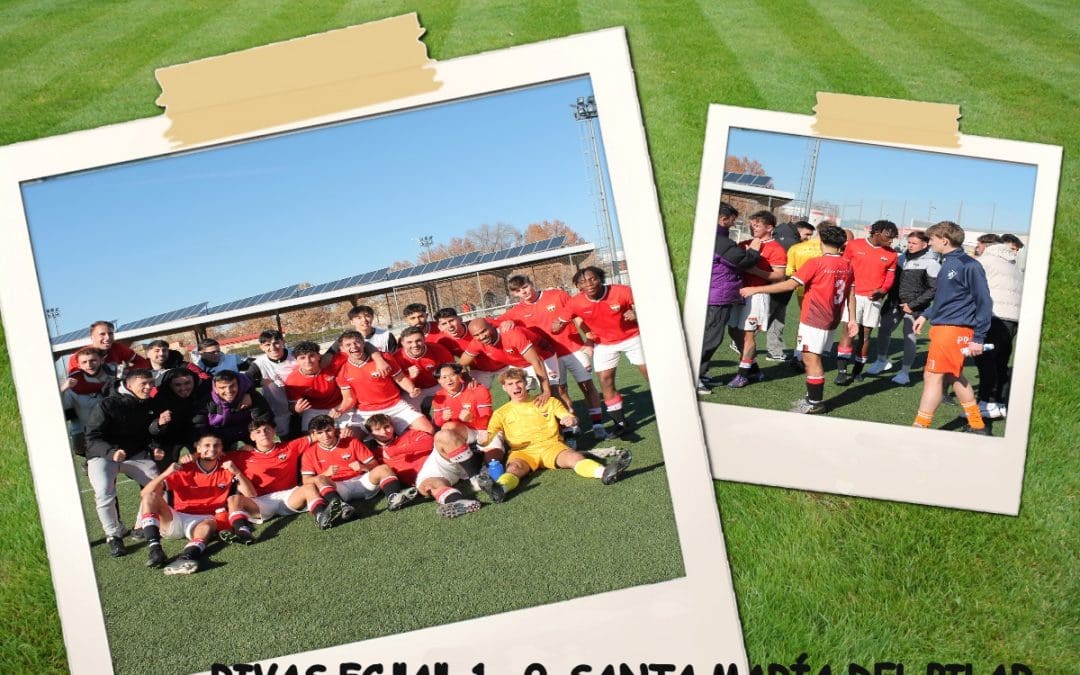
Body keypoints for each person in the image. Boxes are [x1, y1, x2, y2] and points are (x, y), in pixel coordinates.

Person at [740, 225, 855, 413]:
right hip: (831, 318)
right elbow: (851, 292)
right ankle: (812, 399)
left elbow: (789, 285)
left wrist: (756, 289)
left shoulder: (816, 263)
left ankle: (815, 403)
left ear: (820, 241)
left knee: (811, 359)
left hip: (814, 317)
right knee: (813, 357)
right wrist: (852, 319)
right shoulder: (847, 264)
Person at [474, 368, 632, 503]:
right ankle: (499, 490)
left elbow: (570, 417)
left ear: (526, 383)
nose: (516, 387)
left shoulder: (547, 402)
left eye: (519, 382)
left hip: (552, 446)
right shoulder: (501, 412)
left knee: (574, 458)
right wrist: (483, 439)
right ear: (504, 388)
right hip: (523, 452)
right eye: (510, 384)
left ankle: (604, 473)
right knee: (514, 468)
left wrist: (570, 419)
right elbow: (489, 435)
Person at [499, 274, 608, 438]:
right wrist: (504, 323)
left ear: (531, 283)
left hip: (573, 349)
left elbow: (576, 316)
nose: (524, 292)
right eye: (519, 291)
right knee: (560, 391)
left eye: (526, 287)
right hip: (550, 357)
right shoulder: (514, 312)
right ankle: (570, 424)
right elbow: (492, 324)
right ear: (515, 294)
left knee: (586, 386)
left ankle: (598, 424)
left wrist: (589, 338)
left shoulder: (557, 295)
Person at [912, 221, 992, 434]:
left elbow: (984, 301)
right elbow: (945, 298)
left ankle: (919, 427)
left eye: (932, 240)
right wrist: (927, 315)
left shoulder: (969, 265)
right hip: (945, 328)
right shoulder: (948, 262)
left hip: (953, 329)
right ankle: (977, 425)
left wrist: (979, 336)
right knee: (952, 376)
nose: (930, 244)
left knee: (933, 376)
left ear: (944, 240)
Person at [137, 433, 257, 574]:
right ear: (198, 449)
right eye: (207, 445)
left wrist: (236, 472)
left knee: (207, 526)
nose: (212, 449)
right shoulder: (184, 469)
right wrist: (166, 473)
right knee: (150, 497)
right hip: (176, 517)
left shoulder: (227, 470)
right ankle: (155, 550)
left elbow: (251, 494)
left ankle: (187, 556)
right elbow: (144, 494)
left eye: (216, 445)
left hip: (205, 519)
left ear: (221, 449)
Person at [222, 419, 352, 538]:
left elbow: (317, 435)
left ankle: (322, 517)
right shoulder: (241, 456)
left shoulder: (290, 446)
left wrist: (340, 431)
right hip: (259, 501)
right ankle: (243, 532)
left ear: (274, 432)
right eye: (258, 432)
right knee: (233, 499)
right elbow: (212, 457)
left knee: (309, 487)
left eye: (267, 429)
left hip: (290, 495)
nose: (263, 433)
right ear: (252, 437)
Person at [83, 368, 164, 557]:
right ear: (129, 385)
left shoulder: (149, 403)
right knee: (104, 492)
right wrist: (111, 452)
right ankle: (113, 535)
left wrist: (155, 448)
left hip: (134, 454)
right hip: (103, 455)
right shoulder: (107, 404)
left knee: (157, 483)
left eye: (151, 383)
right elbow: (91, 437)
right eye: (143, 384)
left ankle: (141, 524)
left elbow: (149, 434)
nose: (148, 387)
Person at [698, 202, 763, 391]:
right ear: (722, 219)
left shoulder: (715, 237)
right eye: (731, 221)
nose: (733, 224)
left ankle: (701, 373)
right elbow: (743, 260)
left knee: (710, 337)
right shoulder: (718, 240)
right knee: (711, 338)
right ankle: (693, 377)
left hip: (717, 294)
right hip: (718, 297)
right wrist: (754, 250)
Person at [864, 231, 939, 384]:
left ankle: (904, 372)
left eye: (914, 243)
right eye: (909, 242)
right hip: (894, 303)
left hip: (914, 307)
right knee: (884, 329)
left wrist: (912, 305)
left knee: (909, 337)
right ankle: (881, 361)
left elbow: (934, 289)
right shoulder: (901, 258)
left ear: (924, 245)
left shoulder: (932, 263)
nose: (910, 246)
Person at [300, 415, 418, 513]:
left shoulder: (352, 442)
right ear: (313, 435)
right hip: (338, 487)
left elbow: (374, 464)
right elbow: (306, 481)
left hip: (361, 481)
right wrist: (326, 473)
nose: (325, 436)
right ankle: (341, 507)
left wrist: (363, 467)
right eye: (320, 433)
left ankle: (394, 497)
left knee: (383, 468)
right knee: (320, 479)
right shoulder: (309, 453)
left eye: (328, 430)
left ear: (334, 428)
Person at [724, 211, 787, 388]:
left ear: (769, 227)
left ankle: (743, 374)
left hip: (757, 295)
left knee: (748, 334)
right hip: (738, 293)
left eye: (757, 225)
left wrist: (755, 272)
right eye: (752, 224)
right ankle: (755, 369)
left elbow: (780, 276)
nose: (753, 228)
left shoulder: (776, 248)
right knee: (733, 331)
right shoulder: (745, 243)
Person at [835, 220, 899, 386]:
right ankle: (841, 372)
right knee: (849, 331)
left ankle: (857, 371)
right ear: (876, 232)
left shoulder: (892, 254)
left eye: (893, 238)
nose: (891, 240)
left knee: (866, 335)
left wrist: (883, 291)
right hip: (853, 296)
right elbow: (844, 267)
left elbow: (890, 278)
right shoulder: (854, 245)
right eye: (888, 236)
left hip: (873, 299)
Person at [335, 330, 434, 435]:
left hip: (395, 406)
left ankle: (399, 445)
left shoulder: (384, 358)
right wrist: (340, 410)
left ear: (364, 343)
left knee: (428, 429)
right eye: (348, 345)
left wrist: (411, 389)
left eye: (357, 342)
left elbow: (400, 378)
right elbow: (349, 398)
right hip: (366, 412)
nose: (354, 346)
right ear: (342, 349)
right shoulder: (342, 371)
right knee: (347, 437)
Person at [974, 236, 1023, 418]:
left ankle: (986, 403)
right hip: (1013, 319)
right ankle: (999, 403)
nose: (976, 248)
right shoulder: (1012, 265)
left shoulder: (986, 261)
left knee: (986, 361)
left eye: (978, 245)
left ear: (987, 246)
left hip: (994, 316)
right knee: (1001, 362)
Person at [460, 318, 559, 402]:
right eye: (476, 335)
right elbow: (461, 365)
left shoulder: (512, 334)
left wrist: (546, 391)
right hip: (518, 364)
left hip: (543, 357)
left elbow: (536, 361)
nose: (482, 337)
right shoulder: (477, 343)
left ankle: (568, 422)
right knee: (515, 397)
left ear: (492, 326)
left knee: (554, 393)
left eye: (484, 331)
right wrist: (468, 378)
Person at [765, 220, 813, 361]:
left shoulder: (786, 236)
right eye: (807, 234)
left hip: (781, 285)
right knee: (767, 316)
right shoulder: (791, 243)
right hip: (777, 285)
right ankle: (741, 341)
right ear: (798, 230)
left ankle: (774, 350)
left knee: (777, 317)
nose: (808, 238)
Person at [192, 370, 273, 447]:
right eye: (222, 387)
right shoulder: (207, 402)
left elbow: (263, 418)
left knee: (263, 442)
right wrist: (208, 441)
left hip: (248, 431)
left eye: (232, 386)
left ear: (238, 385)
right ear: (215, 389)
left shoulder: (252, 397)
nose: (228, 391)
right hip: (219, 435)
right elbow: (199, 425)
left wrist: (258, 436)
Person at [60, 347, 115, 458]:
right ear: (79, 366)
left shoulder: (114, 381)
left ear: (101, 360)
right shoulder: (73, 387)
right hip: (87, 437)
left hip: (113, 432)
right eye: (84, 362)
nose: (89, 365)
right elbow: (55, 408)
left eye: (93, 360)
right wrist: (62, 389)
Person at [284, 340, 346, 433]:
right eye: (302, 358)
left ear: (318, 356)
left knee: (346, 434)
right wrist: (296, 409)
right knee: (309, 436)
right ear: (297, 360)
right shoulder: (293, 380)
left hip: (339, 406)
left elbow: (352, 349)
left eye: (311, 356)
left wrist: (376, 358)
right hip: (314, 409)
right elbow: (292, 405)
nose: (307, 361)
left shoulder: (330, 364)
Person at [363, 413, 435, 488]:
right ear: (371, 434)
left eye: (386, 427)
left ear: (392, 426)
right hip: (420, 480)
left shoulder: (410, 435)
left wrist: (395, 451)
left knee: (443, 436)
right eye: (378, 429)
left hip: (434, 465)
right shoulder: (374, 453)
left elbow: (430, 443)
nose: (384, 432)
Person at [248, 330, 297, 438]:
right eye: (267, 345)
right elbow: (245, 380)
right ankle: (285, 434)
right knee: (270, 386)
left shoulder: (296, 354)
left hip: (302, 396)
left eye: (276, 343)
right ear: (262, 347)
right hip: (280, 404)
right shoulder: (259, 363)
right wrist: (258, 382)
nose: (273, 347)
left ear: (283, 342)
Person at [149, 368, 202, 466]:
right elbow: (151, 429)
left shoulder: (201, 395)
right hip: (168, 440)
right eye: (178, 385)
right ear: (170, 385)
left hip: (196, 437)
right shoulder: (160, 400)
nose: (183, 388)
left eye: (187, 383)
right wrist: (159, 424)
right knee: (165, 470)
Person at [432, 307, 501, 383]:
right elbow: (453, 363)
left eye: (451, 321)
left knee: (514, 388)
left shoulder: (475, 325)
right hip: (478, 370)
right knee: (474, 391)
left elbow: (502, 322)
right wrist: (465, 375)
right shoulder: (443, 341)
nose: (449, 326)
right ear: (439, 327)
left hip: (504, 363)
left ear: (460, 319)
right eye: (444, 324)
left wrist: (506, 323)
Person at [394, 326, 455, 404]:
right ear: (402, 343)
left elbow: (453, 369)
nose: (415, 345)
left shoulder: (438, 349)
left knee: (454, 401)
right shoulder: (396, 357)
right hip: (413, 389)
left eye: (418, 340)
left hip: (437, 384)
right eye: (409, 342)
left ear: (424, 339)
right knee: (411, 412)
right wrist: (410, 378)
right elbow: (396, 383)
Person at [66, 320, 149, 375]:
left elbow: (143, 363)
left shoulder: (117, 347)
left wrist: (128, 372)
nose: (108, 338)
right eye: (102, 334)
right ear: (92, 337)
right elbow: (76, 383)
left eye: (110, 334)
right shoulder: (77, 357)